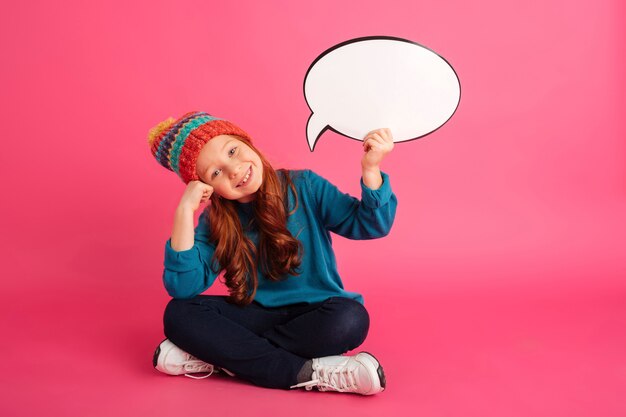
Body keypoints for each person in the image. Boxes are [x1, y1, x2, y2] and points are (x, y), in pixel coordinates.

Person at [147, 111, 397, 395]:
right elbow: (183, 287)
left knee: (351, 319)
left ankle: (222, 357)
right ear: (207, 187)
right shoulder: (215, 221)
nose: (234, 170)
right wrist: (184, 211)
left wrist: (371, 169)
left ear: (247, 142)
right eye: (215, 173)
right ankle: (310, 372)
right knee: (178, 313)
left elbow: (370, 224)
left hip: (316, 314)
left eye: (232, 151)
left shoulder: (305, 186)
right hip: (254, 315)